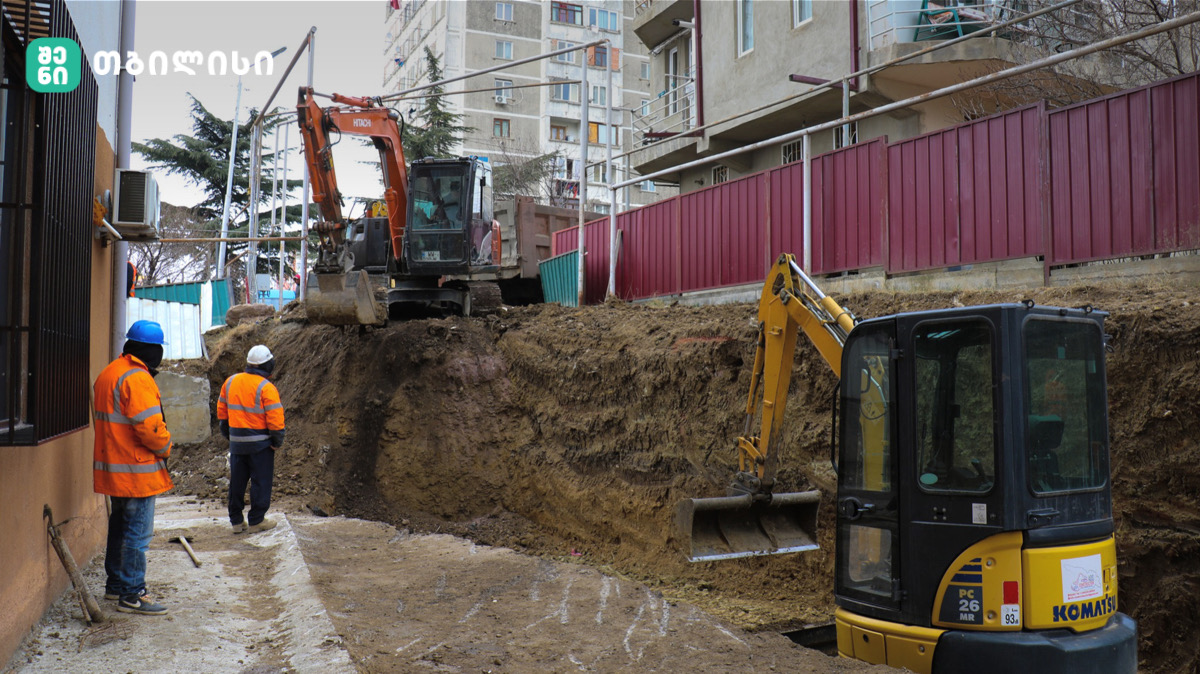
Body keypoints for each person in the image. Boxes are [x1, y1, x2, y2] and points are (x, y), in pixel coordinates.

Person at [93, 319, 173, 616]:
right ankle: (132, 593)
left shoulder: (109, 373)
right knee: (137, 534)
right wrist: (166, 448)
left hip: (114, 468)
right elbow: (151, 429)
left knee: (119, 528)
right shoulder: (138, 379)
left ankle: (116, 584)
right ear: (152, 351)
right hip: (136, 471)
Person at [218, 345, 285, 534]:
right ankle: (256, 520)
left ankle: (236, 522)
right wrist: (276, 441)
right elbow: (275, 421)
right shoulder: (266, 387)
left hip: (237, 444)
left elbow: (222, 415)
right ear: (268, 365)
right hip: (261, 445)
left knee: (237, 482)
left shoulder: (230, 382)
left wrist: (230, 437)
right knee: (260, 482)